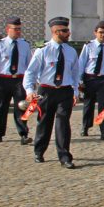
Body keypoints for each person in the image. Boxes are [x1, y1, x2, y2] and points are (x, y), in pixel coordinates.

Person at [23, 17, 80, 168]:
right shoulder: (43, 51)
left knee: (62, 123)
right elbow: (30, 73)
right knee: (44, 122)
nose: (68, 33)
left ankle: (64, 156)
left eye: (68, 30)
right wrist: (29, 90)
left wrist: (75, 92)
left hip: (65, 91)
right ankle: (39, 150)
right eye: (65, 31)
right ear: (55, 31)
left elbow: (75, 74)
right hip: (46, 91)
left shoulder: (71, 51)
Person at [0, 16, 32, 145]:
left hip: (19, 80)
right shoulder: (0, 45)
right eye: (15, 29)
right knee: (1, 108)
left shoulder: (25, 45)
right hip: (3, 80)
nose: (18, 32)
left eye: (19, 29)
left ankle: (23, 134)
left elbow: (29, 65)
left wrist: (31, 82)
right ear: (8, 29)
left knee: (21, 107)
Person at [78, 21, 104, 140]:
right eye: (100, 32)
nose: (103, 35)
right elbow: (81, 63)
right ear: (95, 33)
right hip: (90, 78)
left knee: (103, 106)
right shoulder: (88, 46)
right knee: (88, 104)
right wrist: (79, 80)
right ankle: (85, 127)